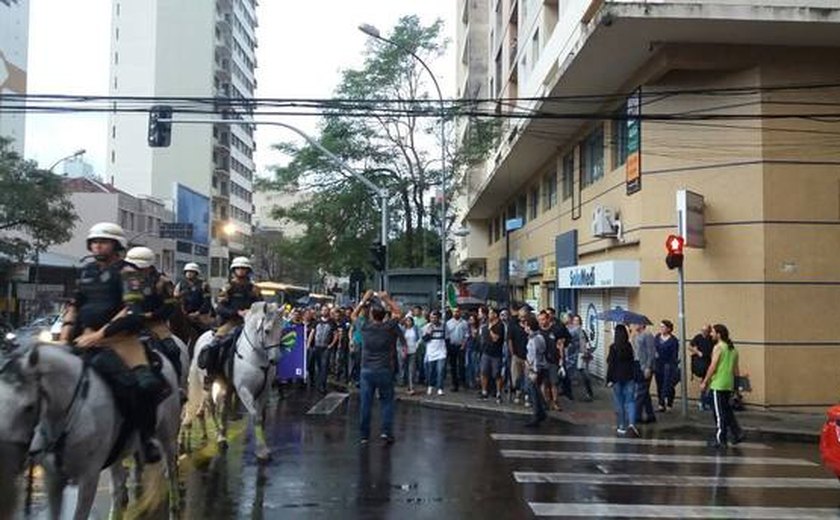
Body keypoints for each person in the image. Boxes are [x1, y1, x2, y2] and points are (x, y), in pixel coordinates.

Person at [59, 222, 169, 463]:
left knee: (147, 385)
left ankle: (145, 438)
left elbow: (132, 308)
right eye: (94, 241)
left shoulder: (128, 272)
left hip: (121, 341)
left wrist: (99, 335)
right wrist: (65, 336)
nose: (98, 245)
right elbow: (74, 304)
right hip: (83, 337)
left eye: (104, 241)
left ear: (116, 245)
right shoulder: (86, 271)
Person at [198, 256, 262, 384]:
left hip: (250, 323)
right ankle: (211, 375)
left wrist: (251, 313)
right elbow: (220, 307)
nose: (241, 271)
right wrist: (237, 312)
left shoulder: (255, 289)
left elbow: (261, 306)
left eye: (244, 268)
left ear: (248, 271)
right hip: (231, 322)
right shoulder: (227, 287)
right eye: (238, 268)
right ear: (233, 270)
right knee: (215, 345)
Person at [124, 247, 182, 379]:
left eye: (138, 267)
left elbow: (169, 307)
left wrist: (151, 315)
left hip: (154, 323)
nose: (135, 269)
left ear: (149, 266)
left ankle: (178, 384)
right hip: (127, 322)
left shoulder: (163, 282)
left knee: (172, 349)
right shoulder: (125, 279)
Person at [353, 290, 401, 445]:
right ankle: (386, 433)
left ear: (372, 315)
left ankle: (364, 435)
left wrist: (364, 300)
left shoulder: (365, 327)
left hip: (367, 370)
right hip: (384, 369)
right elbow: (398, 313)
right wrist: (386, 299)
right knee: (387, 403)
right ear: (383, 316)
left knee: (366, 404)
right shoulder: (388, 327)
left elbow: (353, 316)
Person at [701, 324, 745, 448]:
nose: (711, 334)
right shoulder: (733, 349)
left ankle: (721, 438)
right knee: (726, 410)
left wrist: (705, 381)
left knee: (719, 413)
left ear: (719, 334)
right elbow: (736, 371)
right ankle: (737, 433)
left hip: (718, 384)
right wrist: (737, 387)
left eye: (713, 332)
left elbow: (713, 366)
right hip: (728, 384)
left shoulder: (718, 347)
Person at [607, 324, 639, 437]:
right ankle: (631, 424)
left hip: (616, 377)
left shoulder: (613, 347)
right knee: (630, 401)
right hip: (629, 376)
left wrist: (609, 379)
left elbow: (611, 364)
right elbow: (633, 360)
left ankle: (621, 425)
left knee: (619, 402)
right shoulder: (629, 346)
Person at [173, 262, 213, 348]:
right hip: (183, 315)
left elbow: (207, 302)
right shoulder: (180, 284)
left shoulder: (203, 285)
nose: (189, 273)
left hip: (199, 315)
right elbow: (175, 299)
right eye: (187, 271)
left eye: (192, 271)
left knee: (206, 333)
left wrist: (197, 313)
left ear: (196, 273)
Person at [523, 314, 547, 427]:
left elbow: (534, 356)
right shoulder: (540, 337)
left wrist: (530, 367)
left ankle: (537, 414)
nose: (524, 328)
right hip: (540, 367)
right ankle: (541, 411)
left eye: (526, 326)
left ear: (529, 326)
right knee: (534, 390)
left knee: (532, 391)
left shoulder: (534, 339)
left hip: (534, 369)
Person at [308, 306, 338, 394]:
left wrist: (331, 344)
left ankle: (322, 385)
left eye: (326, 310)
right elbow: (312, 333)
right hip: (317, 346)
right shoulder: (316, 322)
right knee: (317, 366)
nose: (324, 311)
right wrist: (309, 344)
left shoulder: (332, 322)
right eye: (323, 310)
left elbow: (336, 334)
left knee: (324, 367)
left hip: (325, 348)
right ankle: (316, 382)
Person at [633, 323, 657, 424]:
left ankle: (636, 415)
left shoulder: (647, 335)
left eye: (636, 323)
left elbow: (651, 352)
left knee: (640, 391)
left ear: (642, 324)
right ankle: (650, 414)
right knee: (644, 392)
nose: (634, 325)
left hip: (645, 366)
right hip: (638, 365)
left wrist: (648, 367)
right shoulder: (635, 336)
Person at [538, 310, 562, 411]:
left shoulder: (555, 330)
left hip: (553, 360)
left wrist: (561, 359)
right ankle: (546, 402)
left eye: (543, 319)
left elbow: (560, 344)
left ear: (548, 319)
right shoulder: (538, 332)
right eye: (540, 320)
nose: (541, 322)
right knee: (544, 383)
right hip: (542, 361)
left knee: (554, 383)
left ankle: (555, 402)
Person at [480, 308, 505, 403]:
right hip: (486, 352)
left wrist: (490, 329)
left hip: (496, 354)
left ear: (495, 315)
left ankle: (498, 393)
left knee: (496, 374)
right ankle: (484, 392)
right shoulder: (486, 324)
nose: (489, 315)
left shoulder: (500, 326)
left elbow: (495, 339)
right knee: (484, 372)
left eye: (490, 313)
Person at [654, 319, 680, 412]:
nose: (661, 328)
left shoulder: (673, 340)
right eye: (660, 326)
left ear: (668, 329)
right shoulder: (657, 337)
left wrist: (672, 364)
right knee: (659, 384)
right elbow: (654, 347)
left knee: (668, 385)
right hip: (658, 364)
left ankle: (669, 403)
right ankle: (661, 404)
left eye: (663, 327)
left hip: (668, 365)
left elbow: (675, 354)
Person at [507, 307, 530, 405]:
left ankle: (527, 396)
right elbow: (510, 340)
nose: (522, 318)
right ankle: (517, 393)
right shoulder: (513, 326)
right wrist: (513, 354)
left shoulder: (530, 327)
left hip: (528, 357)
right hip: (517, 355)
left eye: (524, 316)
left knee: (527, 377)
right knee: (516, 377)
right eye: (520, 316)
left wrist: (527, 330)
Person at [689, 324, 714, 410]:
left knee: (708, 383)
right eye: (702, 330)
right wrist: (697, 352)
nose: (703, 332)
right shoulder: (698, 337)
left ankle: (705, 401)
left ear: (709, 331)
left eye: (705, 331)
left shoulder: (712, 339)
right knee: (705, 382)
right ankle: (703, 401)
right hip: (700, 363)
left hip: (709, 362)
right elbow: (690, 346)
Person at [422, 310, 447, 396]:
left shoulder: (444, 326)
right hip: (431, 351)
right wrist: (429, 333)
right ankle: (430, 385)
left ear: (438, 318)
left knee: (440, 370)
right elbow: (424, 339)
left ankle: (440, 388)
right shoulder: (427, 327)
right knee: (431, 370)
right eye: (431, 317)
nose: (433, 319)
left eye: (435, 318)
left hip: (441, 351)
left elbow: (447, 337)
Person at [445, 308, 468, 392]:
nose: (456, 313)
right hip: (452, 346)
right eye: (454, 312)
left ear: (460, 312)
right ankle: (455, 384)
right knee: (453, 366)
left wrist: (464, 344)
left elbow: (466, 334)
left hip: (461, 346)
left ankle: (463, 382)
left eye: (458, 311)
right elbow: (447, 336)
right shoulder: (448, 323)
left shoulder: (464, 323)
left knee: (461, 365)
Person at [401, 316, 420, 395]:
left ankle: (411, 387)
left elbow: (420, 338)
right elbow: (400, 339)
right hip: (405, 351)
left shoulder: (415, 329)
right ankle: (406, 384)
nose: (408, 322)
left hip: (413, 351)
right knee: (404, 368)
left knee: (411, 369)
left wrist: (417, 344)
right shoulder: (403, 329)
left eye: (410, 321)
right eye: (407, 321)